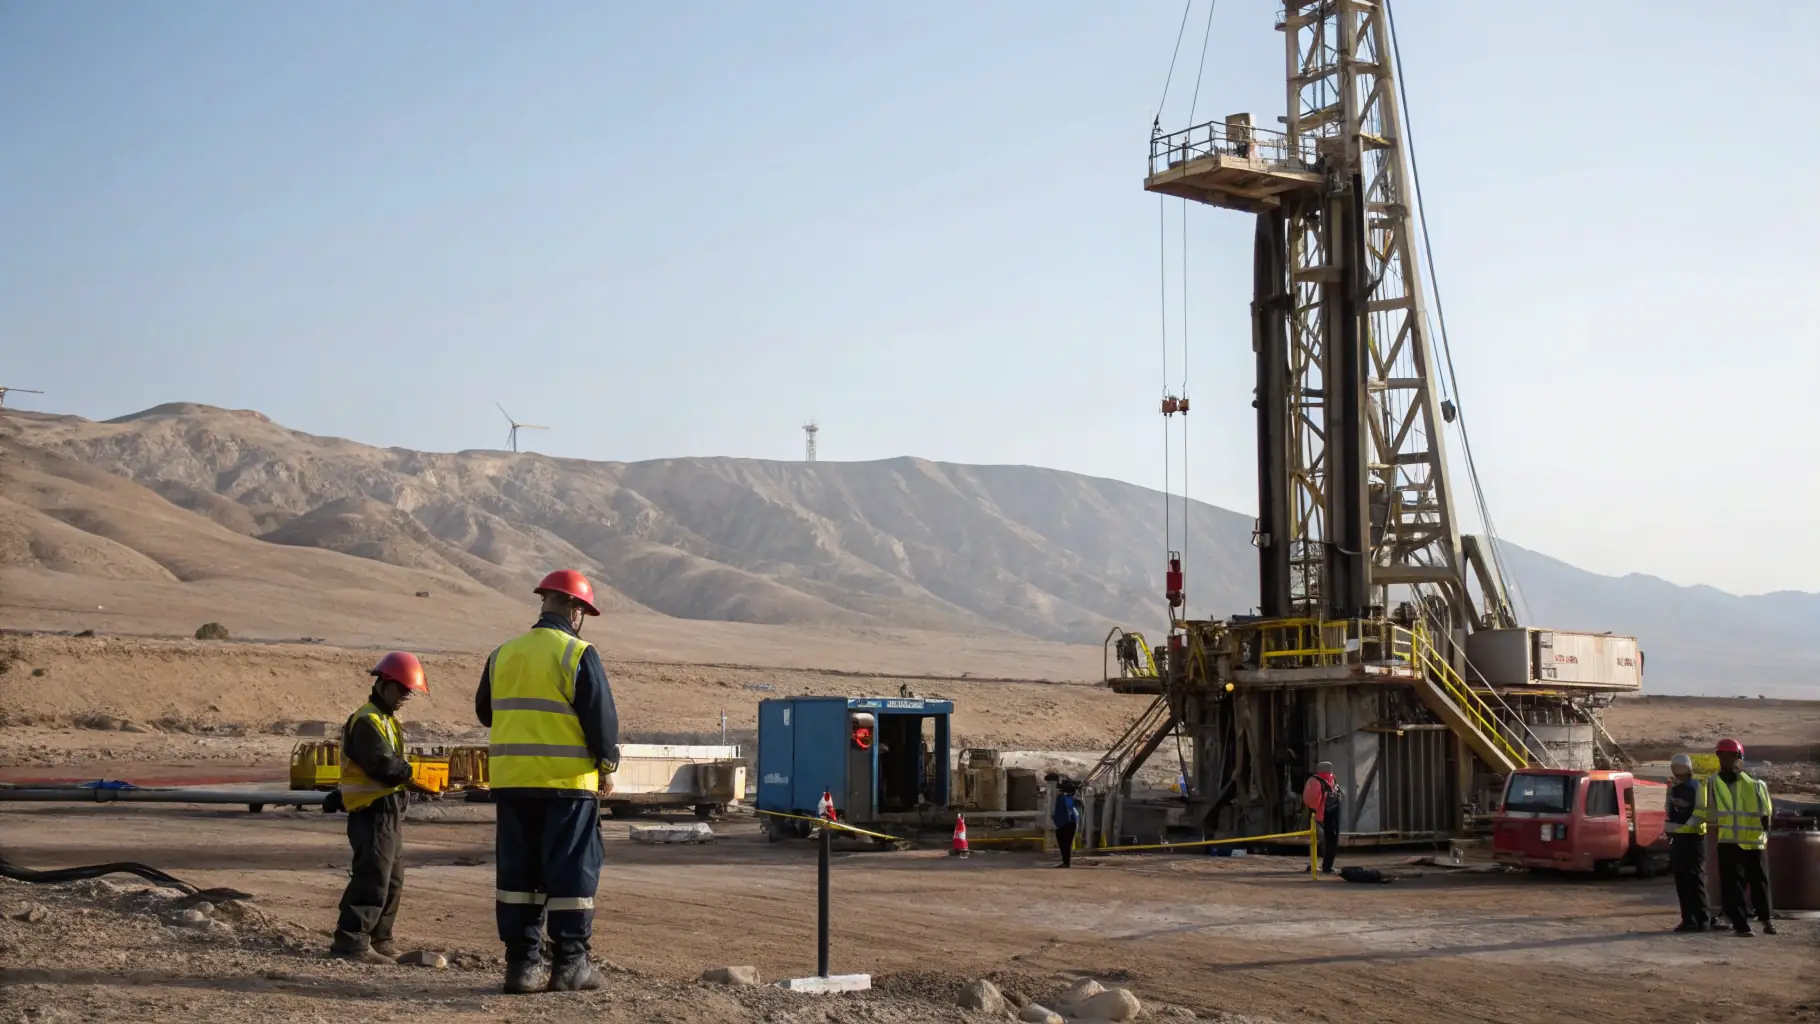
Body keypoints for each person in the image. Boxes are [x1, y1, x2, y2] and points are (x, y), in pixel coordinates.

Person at [476, 569, 621, 993]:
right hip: (567, 786)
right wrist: (607, 767)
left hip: (513, 785)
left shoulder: (502, 654)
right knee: (571, 872)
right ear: (576, 610)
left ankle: (522, 967)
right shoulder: (577, 653)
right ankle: (571, 964)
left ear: (545, 602)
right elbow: (601, 722)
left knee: (519, 874)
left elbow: (487, 712)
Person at [327, 651, 429, 964]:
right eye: (402, 690)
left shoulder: (385, 719)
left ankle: (380, 938)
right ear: (384, 683)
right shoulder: (367, 720)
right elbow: (381, 765)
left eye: (409, 693)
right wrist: (412, 772)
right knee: (373, 873)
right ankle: (352, 940)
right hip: (372, 810)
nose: (405, 698)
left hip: (389, 810)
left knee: (392, 876)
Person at [1695, 737, 1775, 937]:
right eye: (1724, 757)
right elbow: (1706, 810)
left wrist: (1765, 830)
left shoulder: (1756, 785)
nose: (1728, 761)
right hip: (1728, 841)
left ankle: (1766, 920)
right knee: (1732, 886)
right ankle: (1741, 925)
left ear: (1740, 759)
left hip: (1753, 842)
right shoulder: (1712, 783)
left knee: (1760, 884)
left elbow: (1767, 813)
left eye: (1732, 757)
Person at [1665, 753, 1710, 932]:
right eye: (1676, 769)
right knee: (1682, 880)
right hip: (1679, 838)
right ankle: (1688, 919)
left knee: (1695, 879)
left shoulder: (1697, 787)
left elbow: (1700, 812)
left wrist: (1682, 828)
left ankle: (1702, 919)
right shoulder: (1675, 789)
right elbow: (1670, 811)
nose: (1679, 773)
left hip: (1694, 838)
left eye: (1681, 768)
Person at [1302, 761, 1342, 875]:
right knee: (1323, 841)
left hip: (1322, 815)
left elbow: (1310, 801)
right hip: (1326, 815)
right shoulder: (1322, 781)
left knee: (1319, 841)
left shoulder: (1320, 780)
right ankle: (1323, 866)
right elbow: (1313, 799)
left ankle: (1322, 865)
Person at [1051, 779, 1081, 868]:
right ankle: (1065, 861)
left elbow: (1069, 807)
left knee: (1065, 844)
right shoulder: (1065, 797)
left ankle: (1066, 862)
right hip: (1065, 823)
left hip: (1066, 823)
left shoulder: (1066, 798)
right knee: (1065, 844)